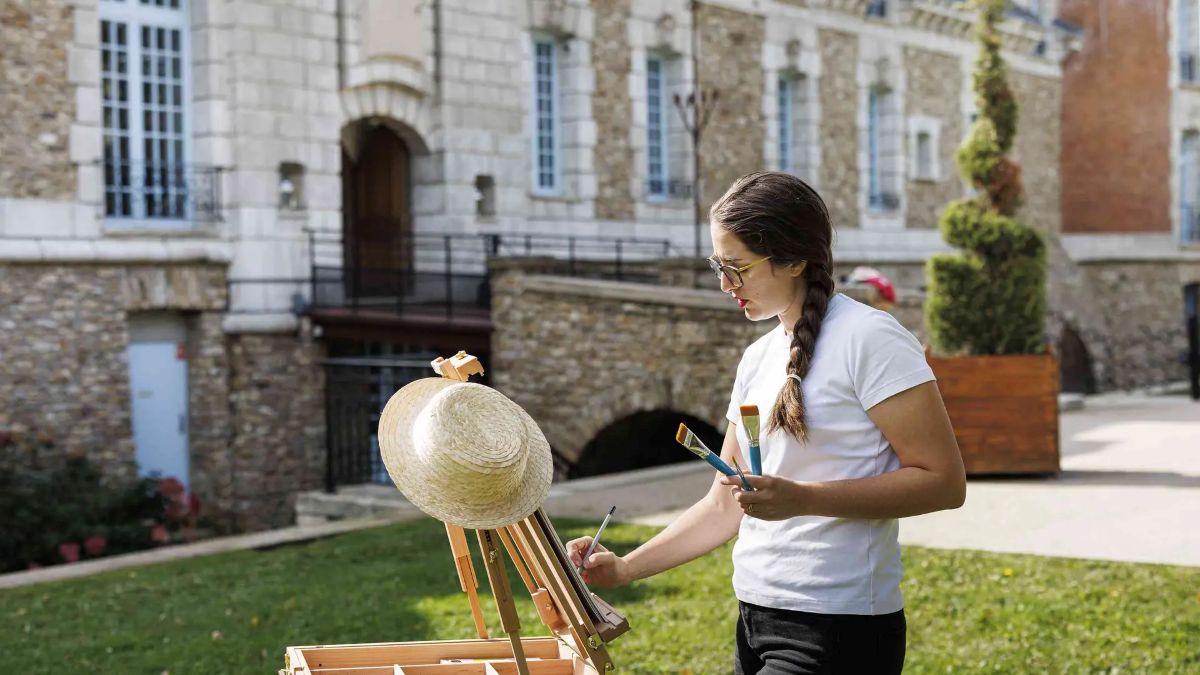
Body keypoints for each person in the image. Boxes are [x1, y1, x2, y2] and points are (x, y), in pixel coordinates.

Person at [567, 171, 966, 674]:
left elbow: (943, 482)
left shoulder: (872, 339)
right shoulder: (757, 358)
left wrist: (804, 498)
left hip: (840, 627)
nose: (724, 285)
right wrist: (625, 567)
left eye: (737, 268)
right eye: (718, 266)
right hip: (755, 616)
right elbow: (722, 505)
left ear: (795, 260)